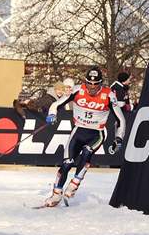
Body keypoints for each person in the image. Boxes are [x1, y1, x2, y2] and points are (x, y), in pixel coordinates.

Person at [42, 67, 126, 207]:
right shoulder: (77, 90)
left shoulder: (109, 95)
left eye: (96, 84)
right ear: (85, 82)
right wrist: (52, 114)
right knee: (67, 163)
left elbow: (121, 119)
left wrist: (119, 138)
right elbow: (56, 104)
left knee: (87, 151)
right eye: (89, 83)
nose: (92, 87)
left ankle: (74, 184)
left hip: (97, 133)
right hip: (79, 131)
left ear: (101, 83)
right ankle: (56, 194)